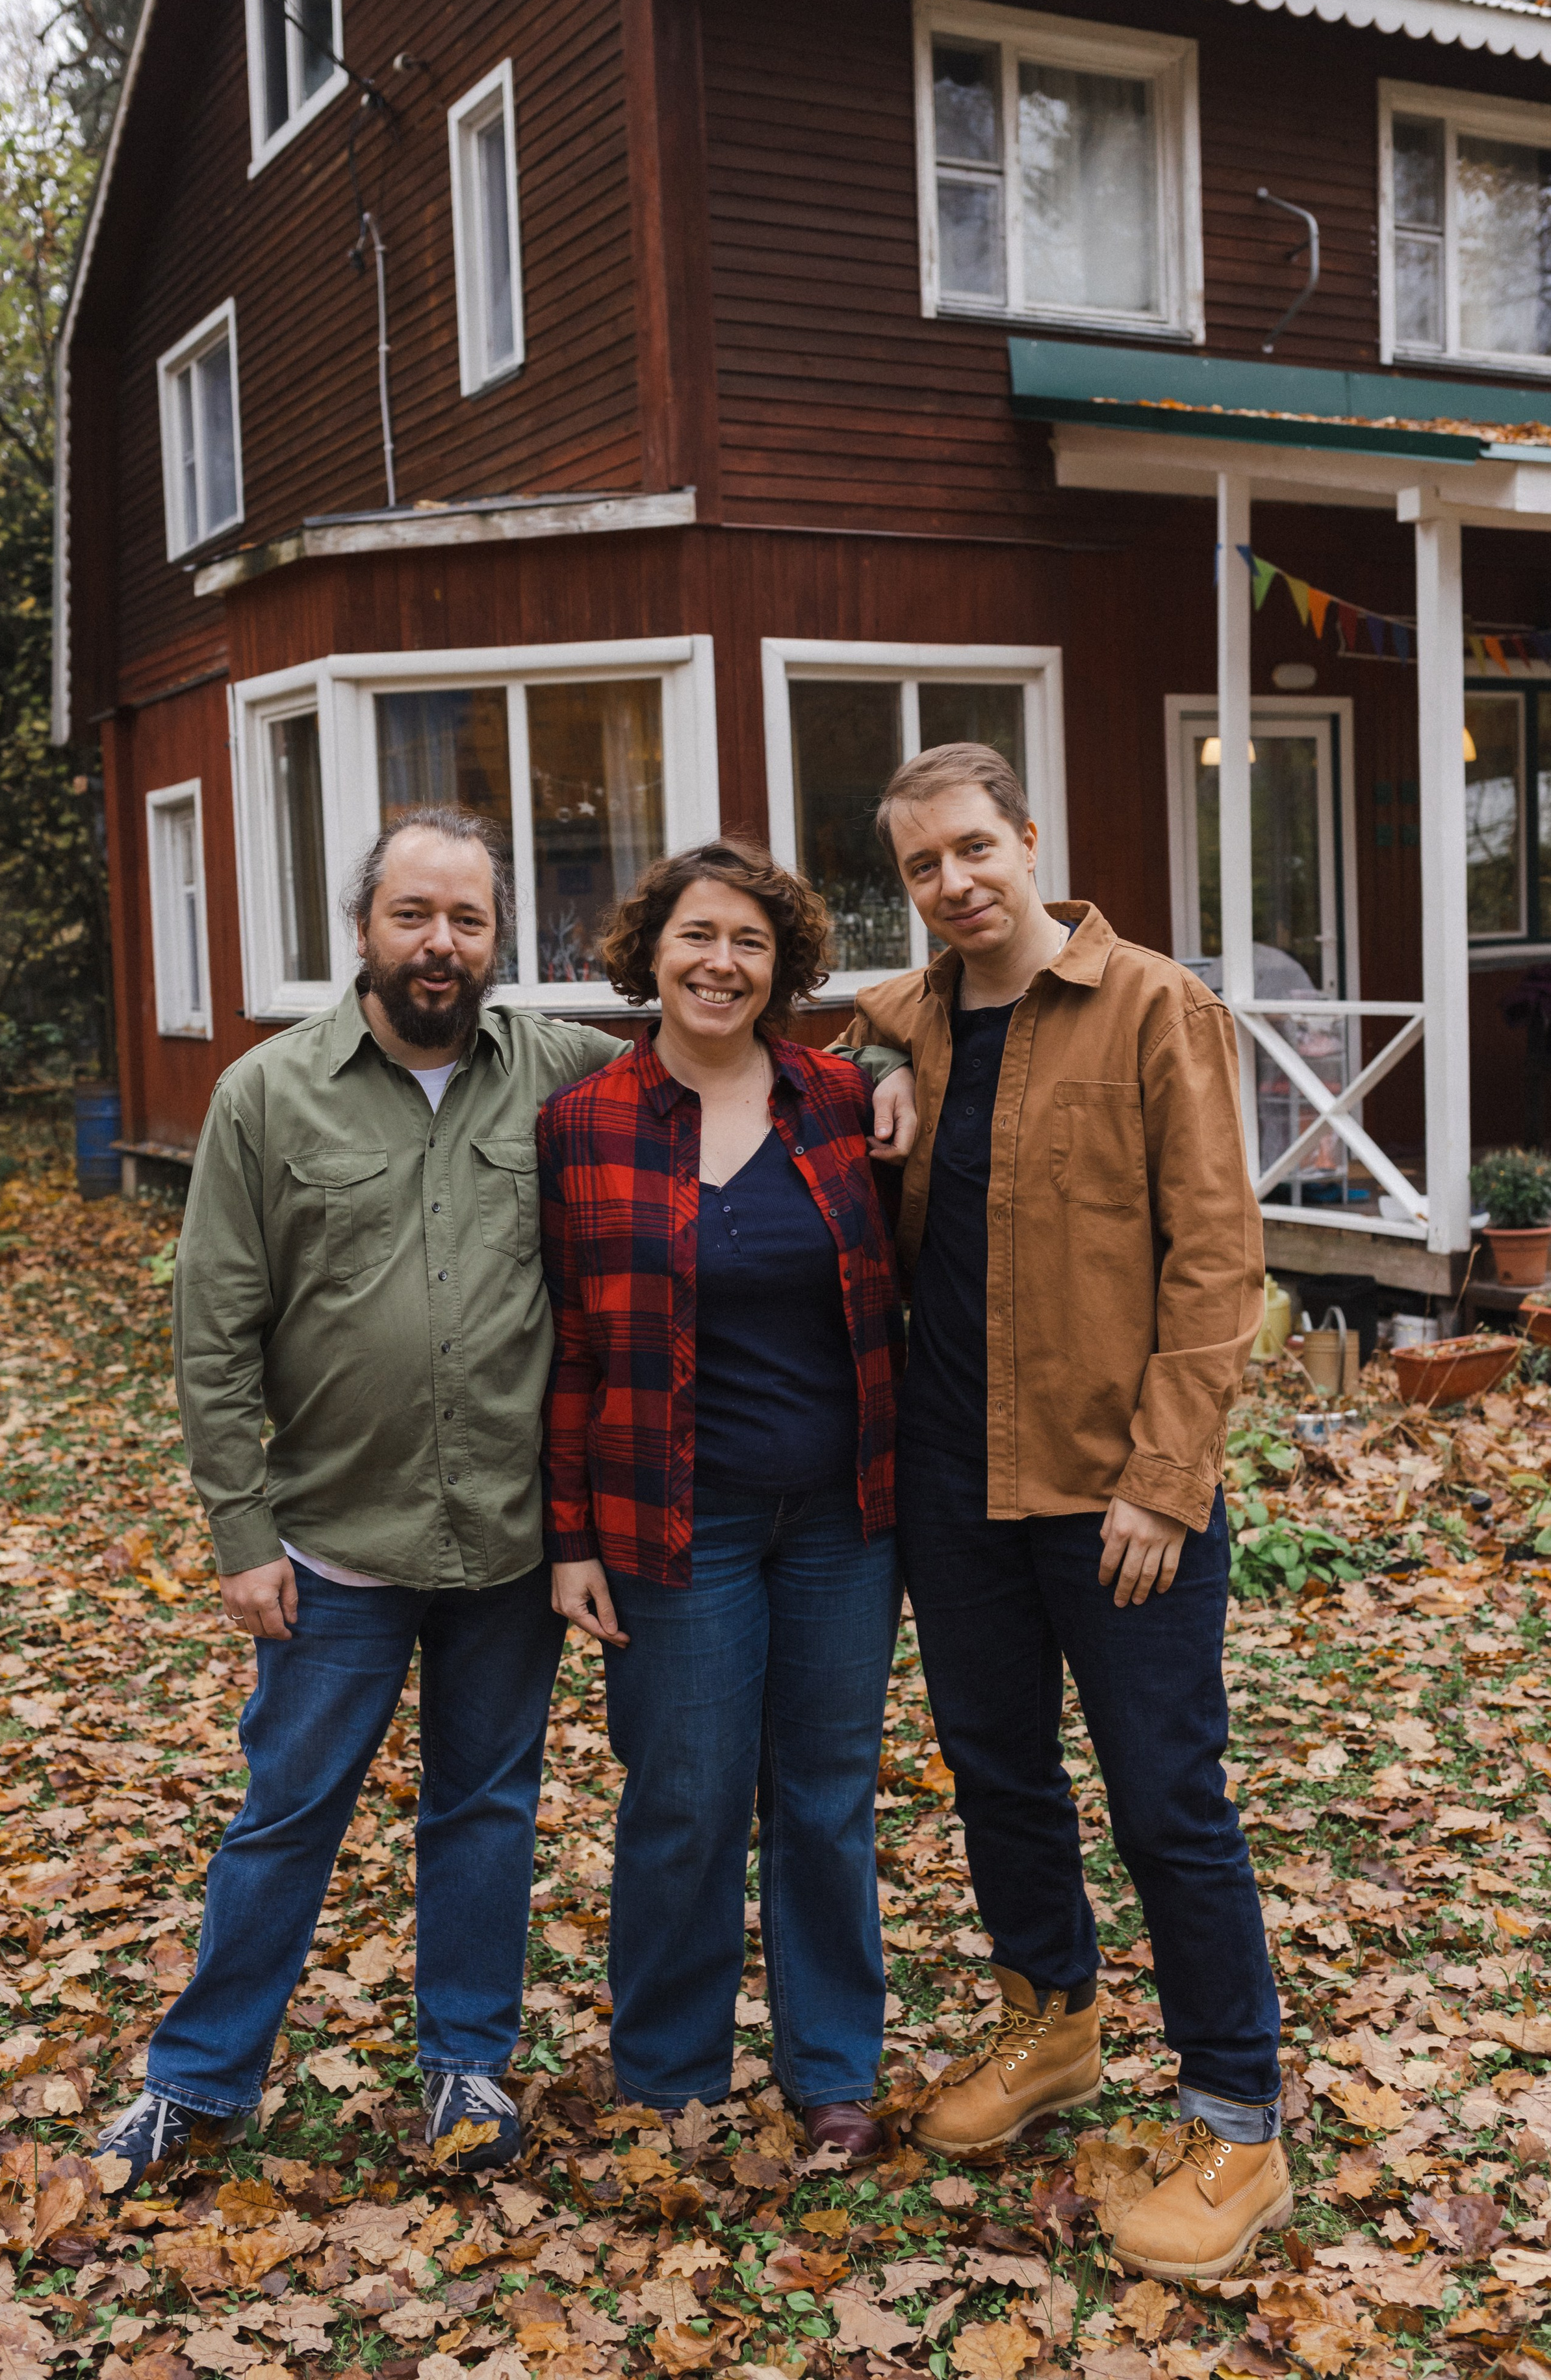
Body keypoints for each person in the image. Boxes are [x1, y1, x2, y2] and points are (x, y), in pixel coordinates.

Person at [93, 807, 635, 2190]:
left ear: (496, 934)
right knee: (287, 1812)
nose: (439, 943)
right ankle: (199, 2083)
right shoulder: (266, 1097)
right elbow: (211, 1331)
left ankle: (465, 2065)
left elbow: (734, 1045)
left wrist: (889, 1062)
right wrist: (238, 1533)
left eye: (464, 918)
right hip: (332, 1542)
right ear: (363, 930)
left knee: (485, 1806)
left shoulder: (568, 1073)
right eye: (413, 915)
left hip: (511, 1546)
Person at [838, 742, 1285, 2283]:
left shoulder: (1156, 1009)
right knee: (996, 1773)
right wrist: (878, 1065)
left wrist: (1165, 1482)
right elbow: (829, 1044)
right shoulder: (901, 1021)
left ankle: (1238, 2121)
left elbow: (1217, 1265)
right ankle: (1053, 2024)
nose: (954, 884)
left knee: (1166, 1798)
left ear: (1029, 839)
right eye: (919, 869)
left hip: (1114, 1496)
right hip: (951, 1493)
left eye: (973, 850)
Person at [537, 841, 907, 2158]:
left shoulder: (841, 1100)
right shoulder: (583, 1123)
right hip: (667, 1517)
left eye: (750, 942)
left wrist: (898, 1063)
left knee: (823, 1796)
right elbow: (569, 1346)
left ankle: (831, 2078)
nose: (720, 962)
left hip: (841, 1520)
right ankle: (669, 2076)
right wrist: (567, 1534)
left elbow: (936, 1012)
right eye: (697, 936)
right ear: (651, 954)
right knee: (684, 1794)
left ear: (783, 966)